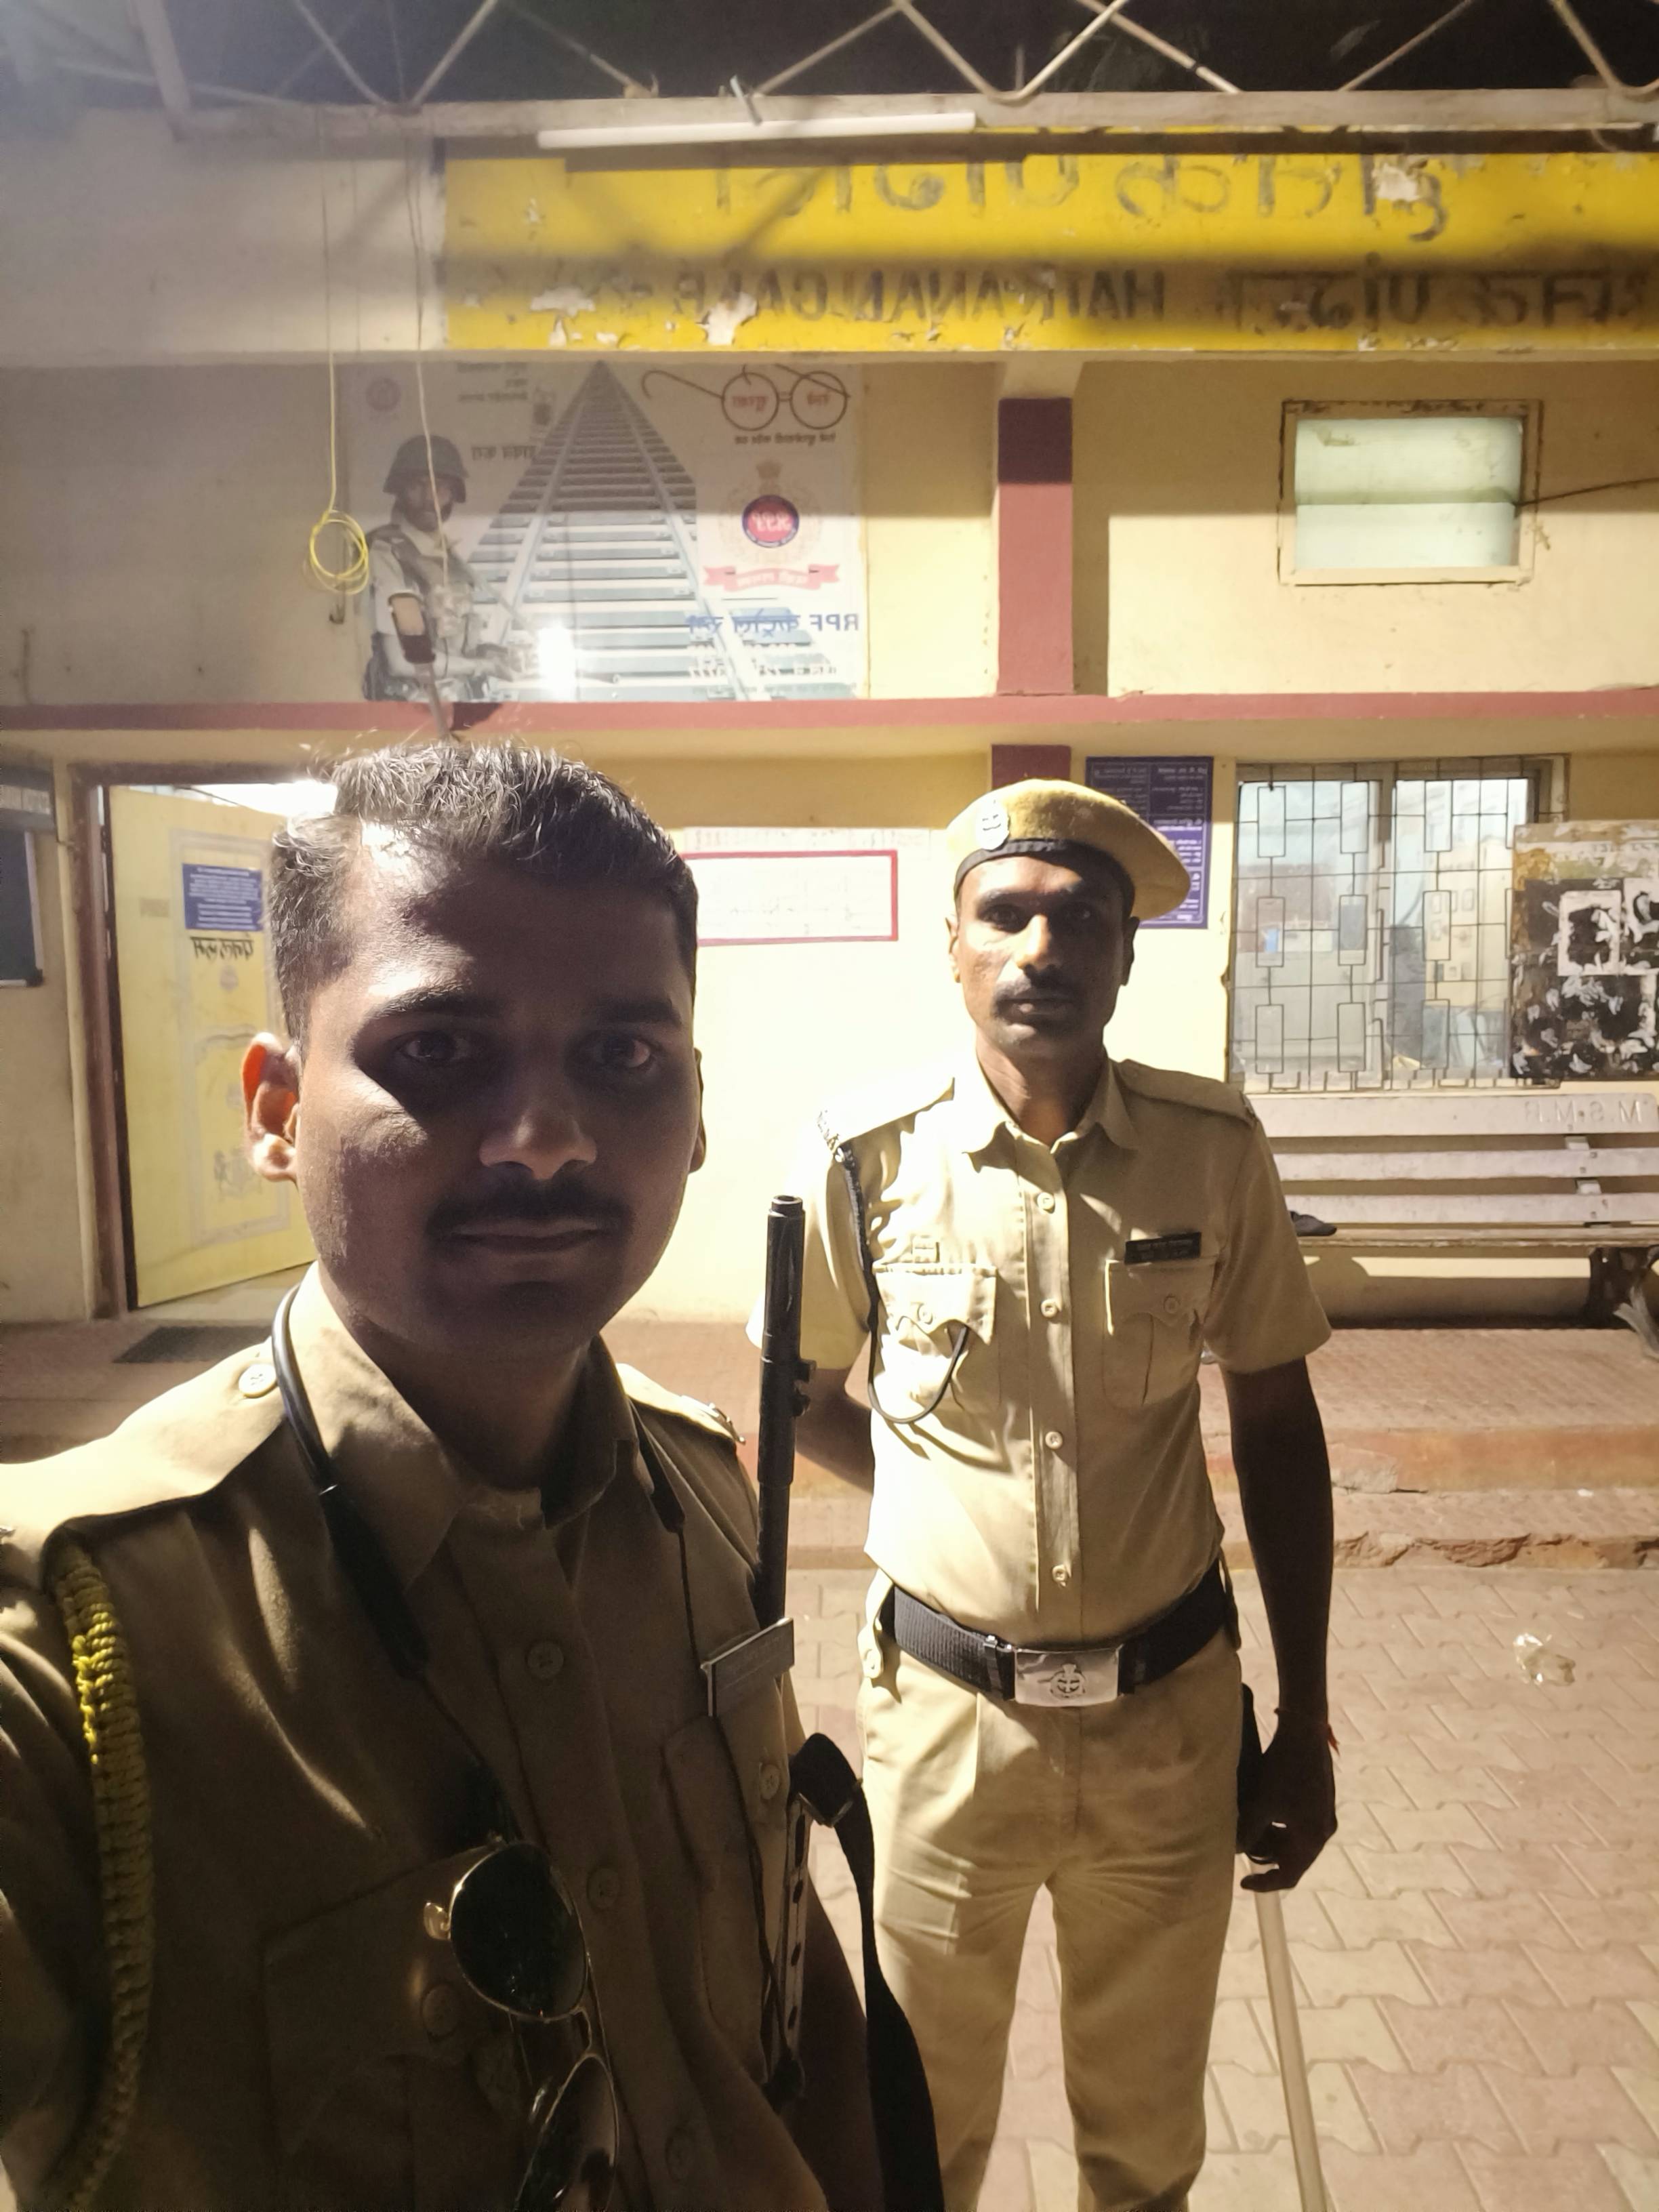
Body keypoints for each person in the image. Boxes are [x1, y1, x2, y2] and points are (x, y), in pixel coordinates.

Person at [0, 741, 878, 2211]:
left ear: (697, 1110)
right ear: (277, 1110)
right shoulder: (71, 1639)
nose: (546, 1141)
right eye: (440, 1051)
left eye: (621, 1056)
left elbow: (782, 1957)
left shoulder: (701, 1497)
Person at [773, 779, 1337, 2212]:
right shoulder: (864, 1155)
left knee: (1145, 2155)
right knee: (915, 2143)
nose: (1040, 948)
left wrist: (1305, 1720)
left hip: (1167, 1731)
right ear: (952, 947)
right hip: (944, 1734)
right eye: (1005, 915)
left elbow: (1278, 1422)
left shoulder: (1212, 1150)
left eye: (1080, 919)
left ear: (1125, 955)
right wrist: (925, 1484)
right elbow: (797, 1399)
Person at [365, 436, 516, 703]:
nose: (429, 498)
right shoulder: (388, 553)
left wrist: (490, 655)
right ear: (400, 490)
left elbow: (450, 642)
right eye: (417, 486)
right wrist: (480, 666)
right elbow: (402, 662)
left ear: (454, 493)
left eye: (441, 487)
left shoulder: (446, 557)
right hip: (410, 712)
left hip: (453, 704)